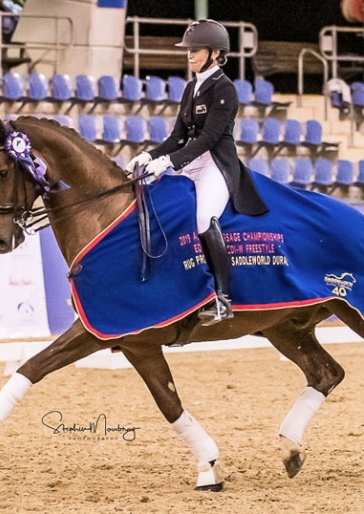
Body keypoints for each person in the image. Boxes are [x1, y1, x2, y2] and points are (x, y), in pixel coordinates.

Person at [126, 19, 268, 326]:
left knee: (205, 218)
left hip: (216, 162)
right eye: (188, 50)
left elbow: (209, 138)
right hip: (191, 159)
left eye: (196, 50)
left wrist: (169, 162)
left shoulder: (225, 88)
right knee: (160, 205)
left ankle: (223, 299)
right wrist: (148, 155)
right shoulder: (191, 87)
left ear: (216, 53)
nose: (190, 55)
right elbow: (178, 136)